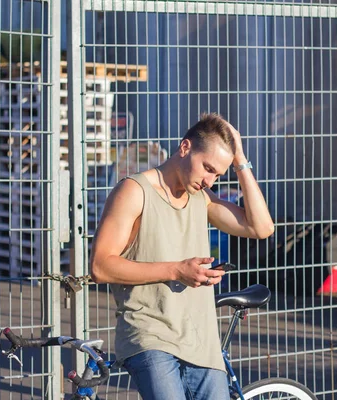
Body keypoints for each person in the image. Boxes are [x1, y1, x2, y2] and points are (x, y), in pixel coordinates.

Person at [90, 113, 274, 399]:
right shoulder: (134, 191)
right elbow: (101, 266)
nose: (210, 181)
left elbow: (261, 227)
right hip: (151, 336)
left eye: (218, 175)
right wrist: (176, 270)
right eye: (208, 168)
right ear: (185, 147)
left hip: (201, 342)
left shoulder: (202, 199)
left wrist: (240, 160)